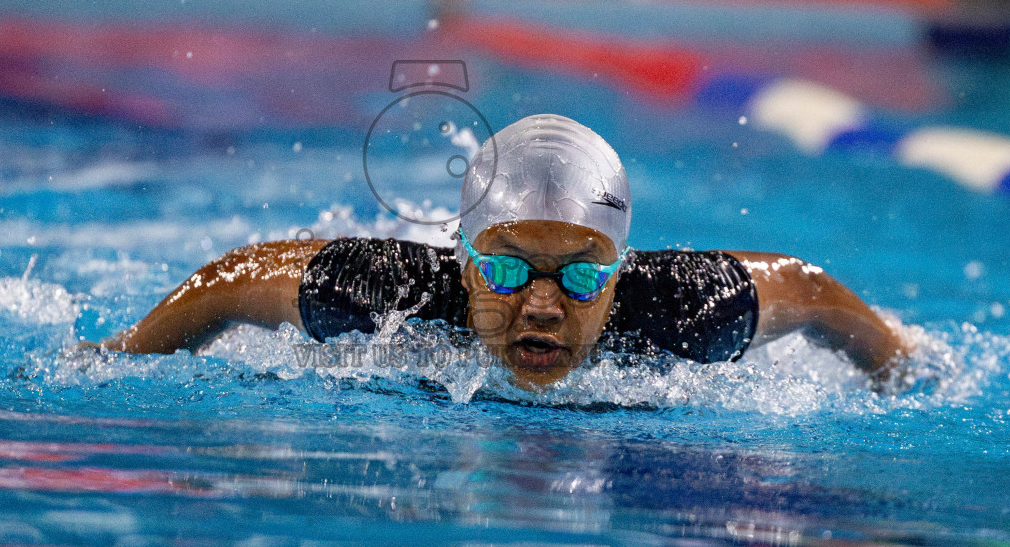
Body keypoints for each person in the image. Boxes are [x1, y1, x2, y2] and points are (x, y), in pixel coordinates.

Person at [93, 115, 910, 392]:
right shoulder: (398, 295)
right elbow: (233, 279)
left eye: (584, 272)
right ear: (465, 260)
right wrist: (119, 358)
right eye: (509, 268)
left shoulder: (681, 309)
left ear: (619, 272)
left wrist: (901, 367)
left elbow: (810, 290)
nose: (544, 305)